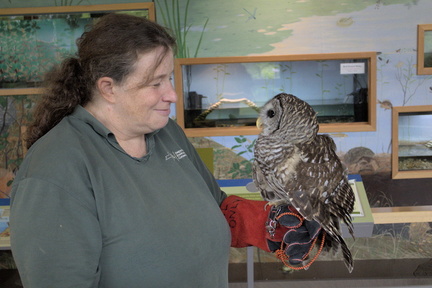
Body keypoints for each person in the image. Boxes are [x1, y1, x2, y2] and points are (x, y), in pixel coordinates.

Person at [9, 13, 320, 288]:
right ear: (108, 88)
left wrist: (267, 224)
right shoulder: (54, 171)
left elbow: (216, 207)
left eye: (169, 78)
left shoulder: (167, 133)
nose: (171, 95)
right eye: (155, 83)